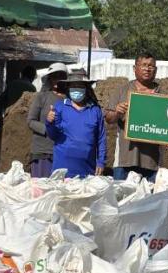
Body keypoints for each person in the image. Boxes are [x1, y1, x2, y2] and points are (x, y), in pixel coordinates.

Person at [105, 52, 161, 181]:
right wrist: (117, 112)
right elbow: (109, 118)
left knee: (148, 194)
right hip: (125, 159)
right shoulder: (122, 90)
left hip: (151, 161)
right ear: (135, 68)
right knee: (121, 193)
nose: (147, 69)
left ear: (156, 70)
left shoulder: (162, 93)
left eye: (151, 66)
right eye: (143, 65)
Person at [46, 69, 105, 178]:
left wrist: (101, 161)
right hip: (62, 170)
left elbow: (101, 138)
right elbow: (53, 135)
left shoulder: (95, 110)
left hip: (87, 170)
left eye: (80, 86)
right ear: (68, 88)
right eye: (74, 86)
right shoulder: (60, 106)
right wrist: (49, 122)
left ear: (86, 88)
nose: (77, 89)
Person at [25, 63, 66, 177]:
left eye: (61, 76)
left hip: (64, 151)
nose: (58, 79)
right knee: (41, 185)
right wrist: (48, 129)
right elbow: (31, 121)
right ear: (50, 79)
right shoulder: (42, 97)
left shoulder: (70, 100)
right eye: (54, 76)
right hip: (43, 152)